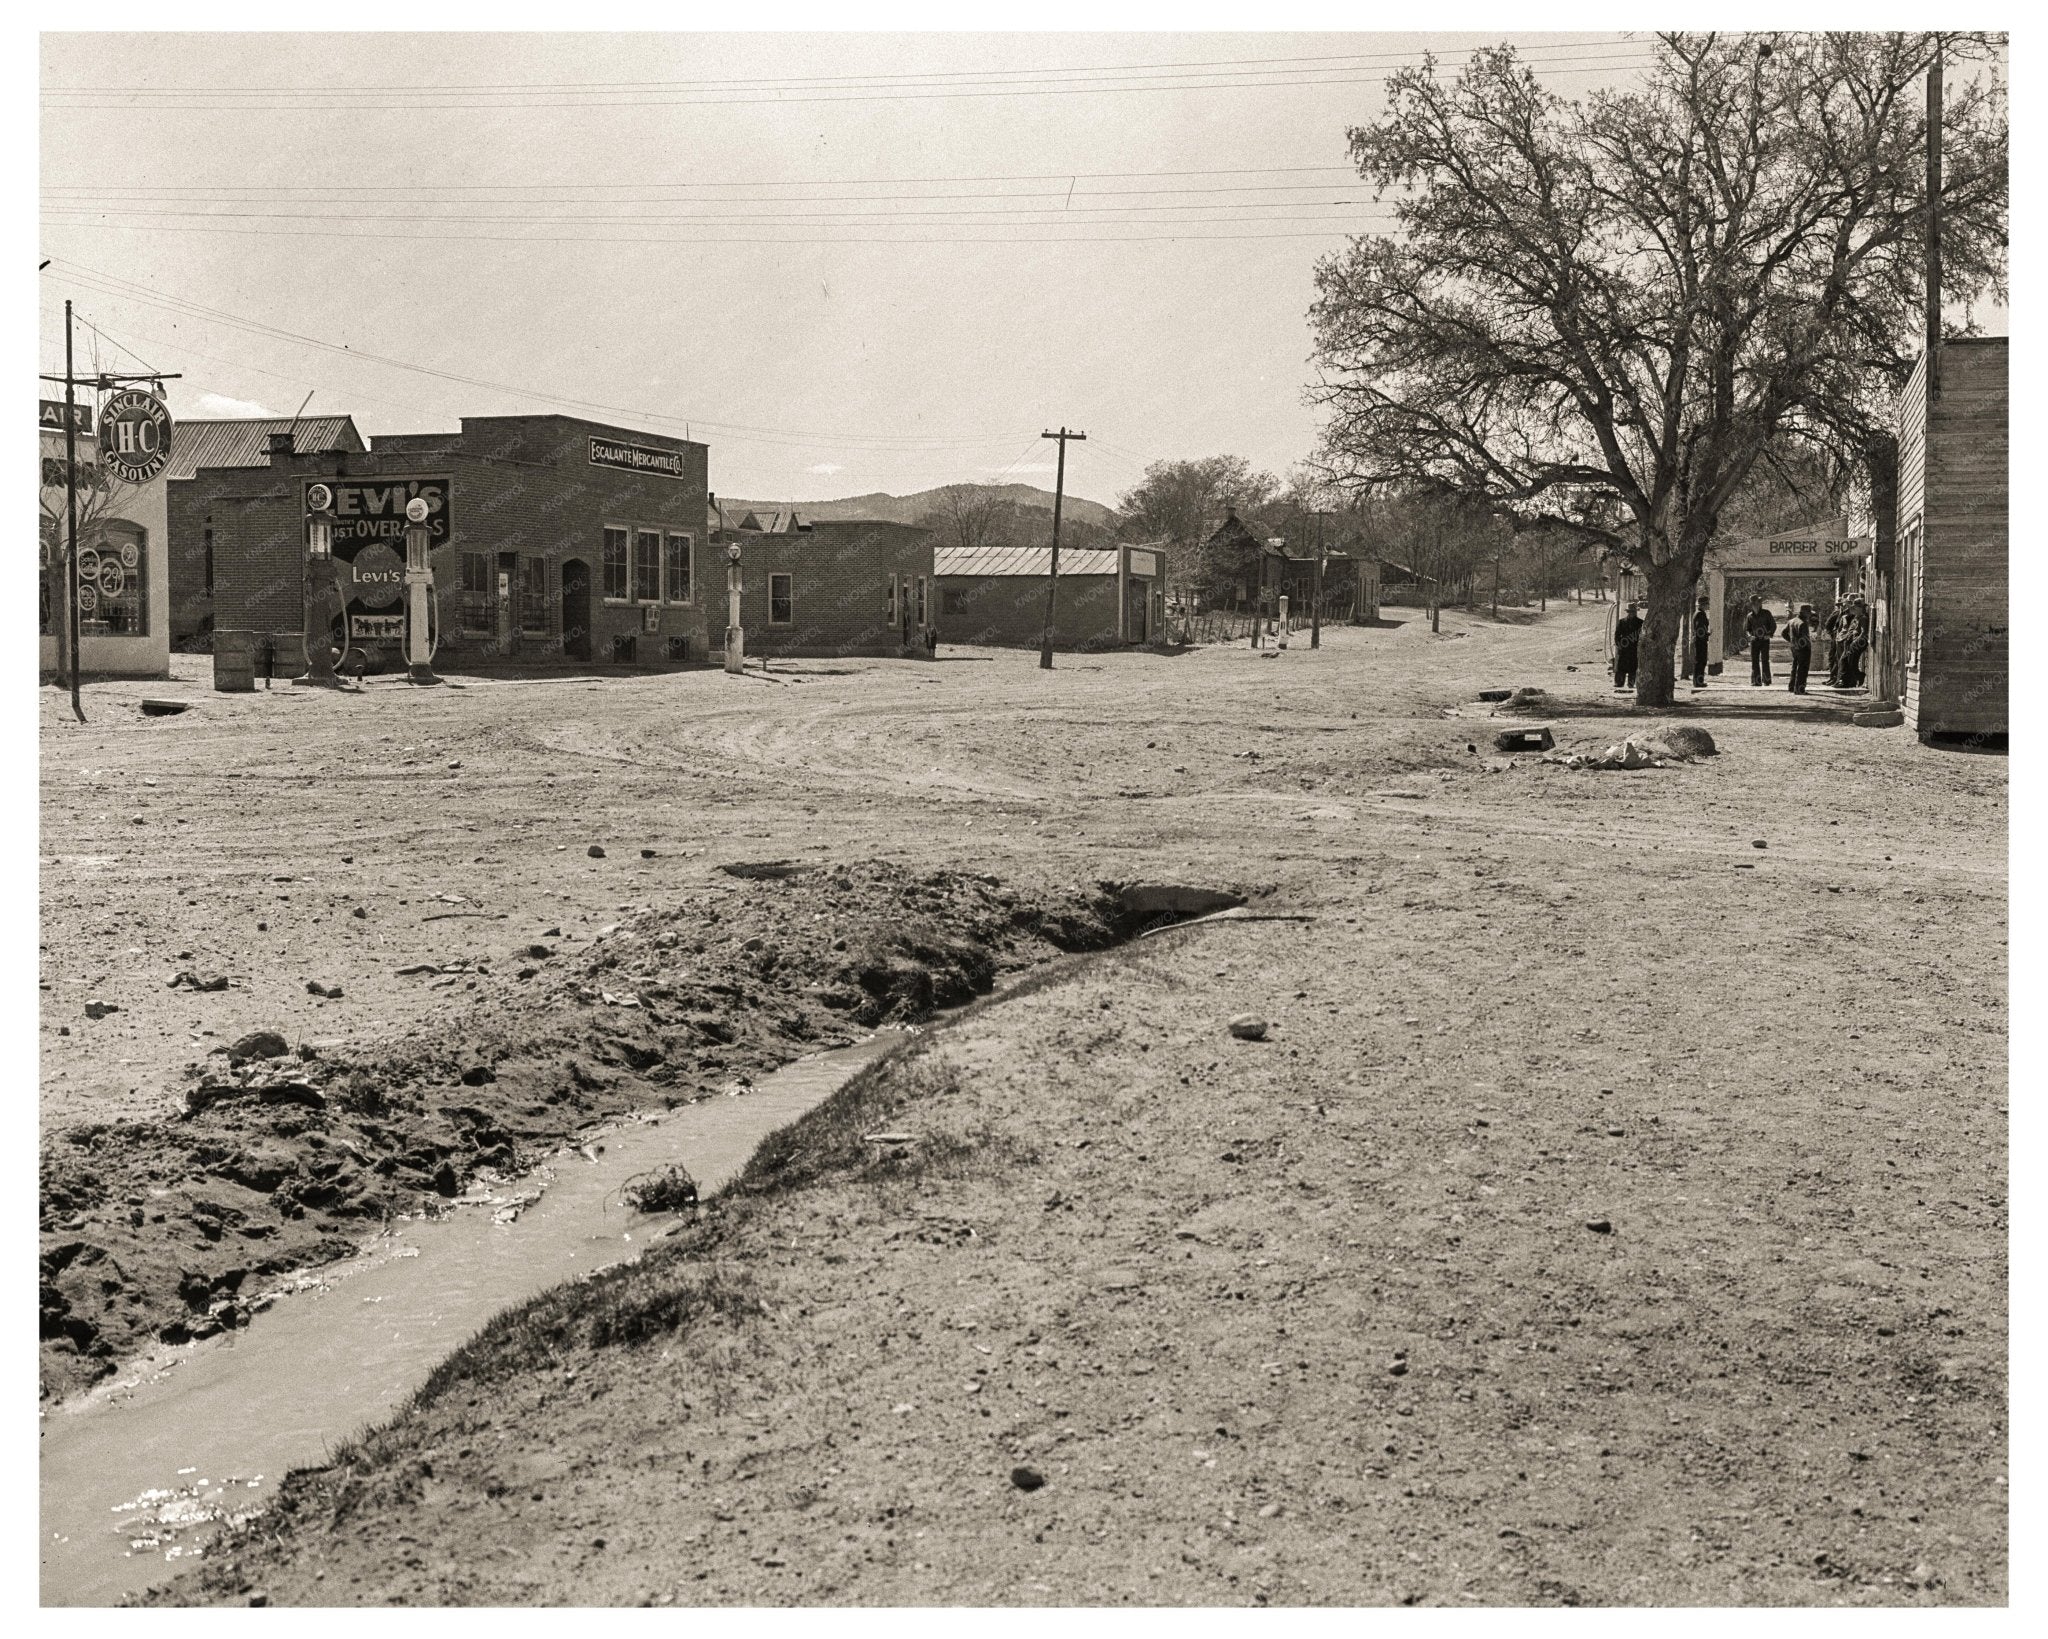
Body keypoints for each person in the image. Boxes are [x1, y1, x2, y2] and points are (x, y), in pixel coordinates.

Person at [1744, 595, 1778, 685]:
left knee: (1765, 660)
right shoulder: (1749, 616)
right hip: (1754, 641)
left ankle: (1766, 680)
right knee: (1754, 660)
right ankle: (1756, 681)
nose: (1758, 604)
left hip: (1764, 640)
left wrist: (1770, 634)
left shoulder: (1766, 613)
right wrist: (1749, 636)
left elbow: (1773, 625)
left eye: (1759, 602)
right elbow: (1747, 629)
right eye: (1756, 603)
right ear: (1753, 604)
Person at [1783, 603, 1814, 694]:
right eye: (1808, 613)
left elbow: (1783, 633)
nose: (1809, 615)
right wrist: (1808, 645)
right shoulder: (1803, 623)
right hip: (1803, 649)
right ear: (1804, 613)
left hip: (1794, 648)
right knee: (1802, 669)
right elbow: (1805, 638)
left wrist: (1792, 642)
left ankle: (1792, 686)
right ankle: (1800, 689)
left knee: (1794, 667)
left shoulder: (1792, 621)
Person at [1613, 601, 1643, 690]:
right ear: (1627, 612)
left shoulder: (1641, 623)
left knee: (1633, 668)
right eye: (1630, 612)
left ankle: (1631, 684)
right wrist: (1619, 645)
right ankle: (1619, 683)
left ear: (1636, 612)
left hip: (1634, 649)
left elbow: (1642, 636)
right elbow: (1617, 635)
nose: (1631, 614)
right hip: (1623, 649)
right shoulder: (1622, 622)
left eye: (1633, 612)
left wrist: (1639, 646)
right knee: (1621, 667)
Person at [1690, 595, 1712, 688]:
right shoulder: (1700, 614)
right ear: (1704, 604)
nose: (1708, 605)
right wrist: (1708, 634)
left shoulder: (1697, 613)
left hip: (1699, 640)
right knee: (1701, 661)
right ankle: (1699, 682)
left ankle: (1698, 681)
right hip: (1700, 641)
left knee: (1699, 661)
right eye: (1707, 604)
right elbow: (1700, 629)